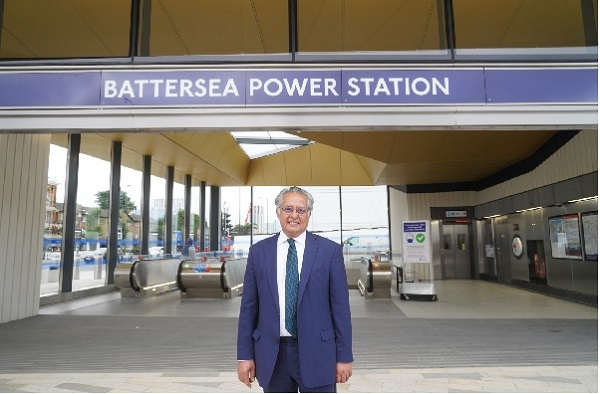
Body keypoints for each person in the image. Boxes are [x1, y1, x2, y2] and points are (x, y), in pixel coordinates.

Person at [237, 186, 353, 392]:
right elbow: (248, 309)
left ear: (309, 214)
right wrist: (245, 355)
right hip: (272, 355)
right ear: (278, 212)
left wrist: (344, 357)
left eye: (301, 210)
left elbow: (341, 309)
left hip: (318, 353)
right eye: (288, 209)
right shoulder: (259, 252)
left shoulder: (330, 251)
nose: (294, 215)